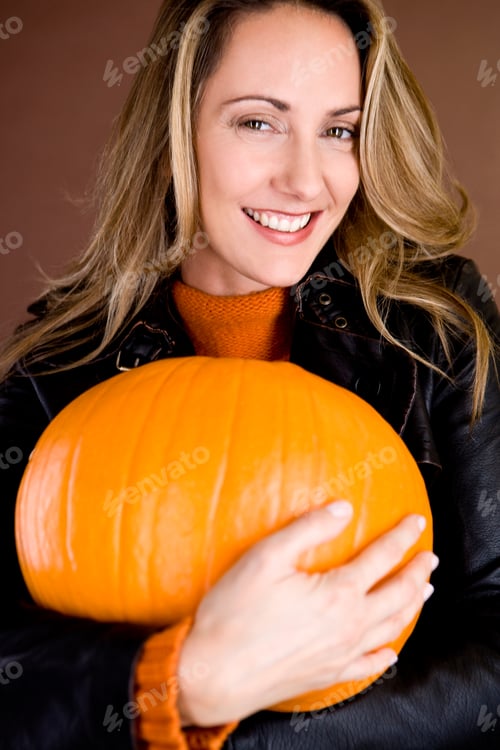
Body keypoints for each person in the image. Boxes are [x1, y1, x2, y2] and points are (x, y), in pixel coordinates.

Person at [0, 0, 498, 748]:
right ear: (178, 131)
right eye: (258, 122)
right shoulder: (58, 360)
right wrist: (185, 679)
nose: (305, 182)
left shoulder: (434, 322)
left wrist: (238, 730)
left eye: (339, 131)